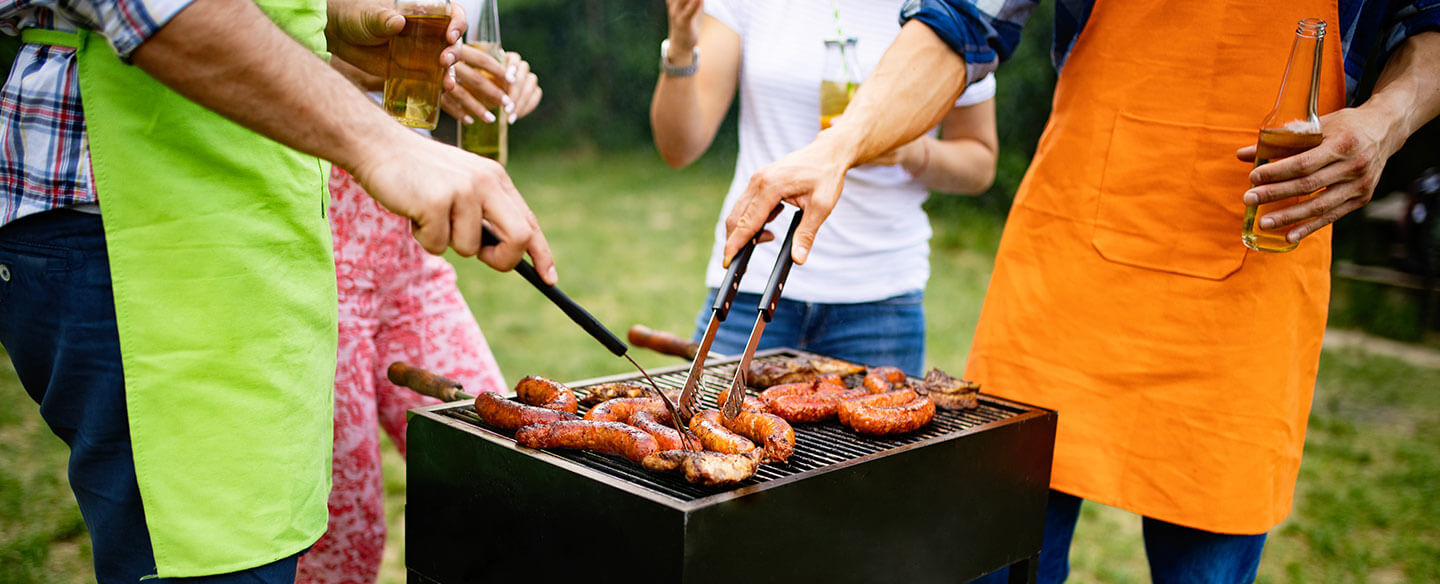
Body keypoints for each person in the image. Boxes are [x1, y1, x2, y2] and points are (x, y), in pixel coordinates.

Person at [719, 0, 1440, 582]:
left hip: (1256, 260)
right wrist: (838, 146)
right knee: (997, 555)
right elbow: (959, 17)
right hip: (1069, 252)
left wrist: (1389, 119)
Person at [0, 0, 555, 580]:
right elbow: (154, 11)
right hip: (140, 222)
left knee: (502, 486)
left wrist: (332, 27)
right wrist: (383, 142)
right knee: (276, 550)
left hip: (280, 231)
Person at [295, 39, 543, 584]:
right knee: (341, 534)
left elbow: (448, 78)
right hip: (312, 254)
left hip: (411, 263)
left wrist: (503, 80)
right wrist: (402, 69)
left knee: (501, 477)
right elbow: (260, 41)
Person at [651, 0, 998, 375]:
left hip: (880, 302)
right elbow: (678, 147)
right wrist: (682, 46)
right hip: (750, 283)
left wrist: (911, 150)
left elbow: (979, 163)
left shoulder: (949, 10)